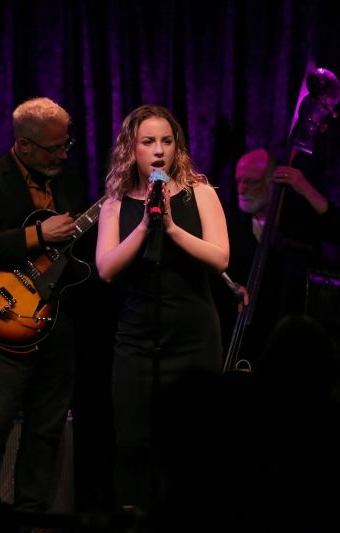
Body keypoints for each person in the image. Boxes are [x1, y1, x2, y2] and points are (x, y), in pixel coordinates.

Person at [95, 104, 230, 512]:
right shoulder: (115, 203)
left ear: (177, 147)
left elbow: (220, 257)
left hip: (193, 338)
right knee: (133, 448)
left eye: (167, 141)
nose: (159, 150)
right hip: (137, 341)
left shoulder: (200, 193)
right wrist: (144, 225)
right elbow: (106, 269)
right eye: (148, 142)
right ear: (131, 149)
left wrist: (170, 228)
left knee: (196, 449)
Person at [0, 96, 90, 514]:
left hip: (56, 317)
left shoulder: (69, 182)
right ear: (23, 145)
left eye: (66, 144)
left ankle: (33, 514)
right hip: (4, 316)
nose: (63, 154)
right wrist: (39, 235)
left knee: (47, 427)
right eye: (54, 148)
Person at [219, 148, 340, 365]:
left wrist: (305, 188)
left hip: (292, 339)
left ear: (273, 183)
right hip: (240, 335)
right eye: (238, 181)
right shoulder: (231, 226)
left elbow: (335, 230)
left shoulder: (297, 222)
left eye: (251, 181)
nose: (241, 189)